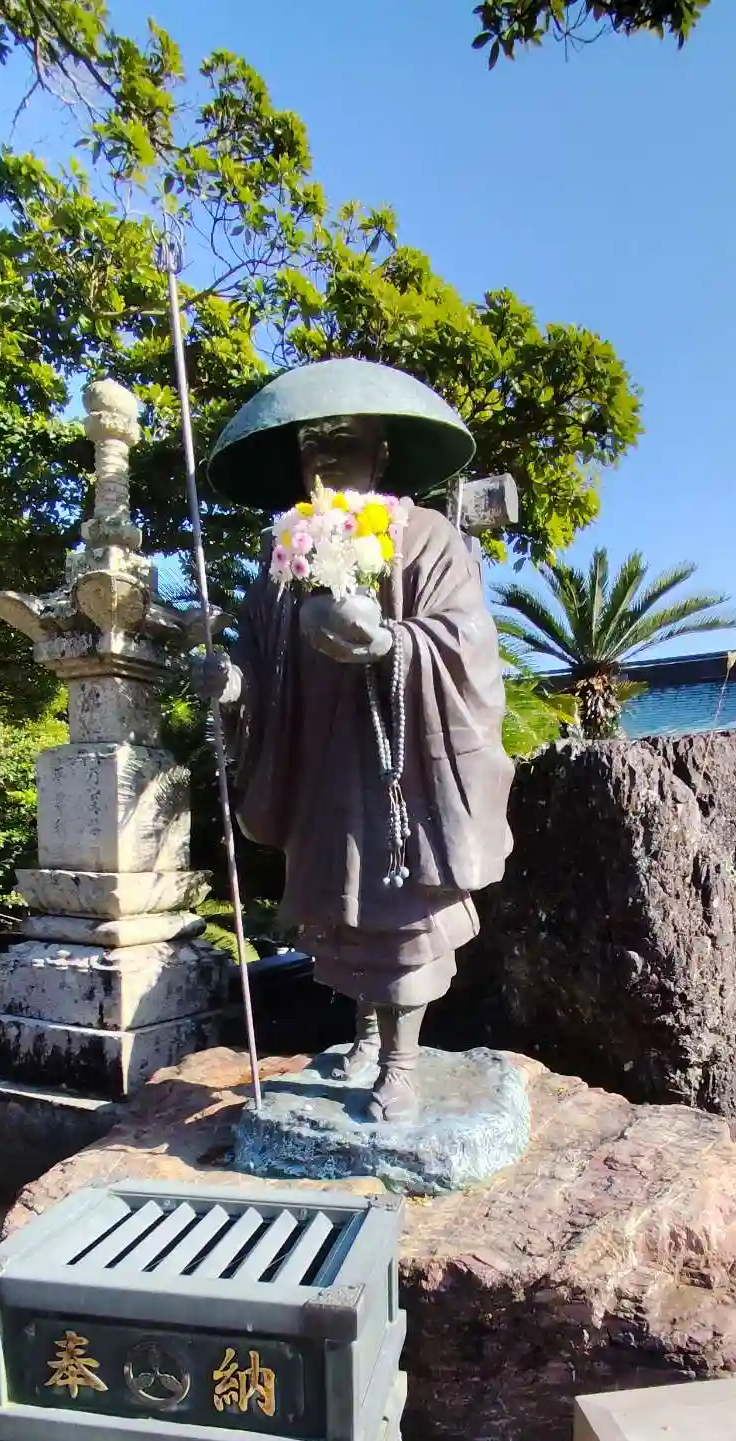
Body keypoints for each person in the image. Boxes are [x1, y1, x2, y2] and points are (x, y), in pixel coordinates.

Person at [196, 362, 513, 1124]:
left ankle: (401, 1064)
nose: (326, 459)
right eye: (312, 446)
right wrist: (233, 685)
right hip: (320, 764)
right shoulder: (285, 555)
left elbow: (466, 643)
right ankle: (365, 1037)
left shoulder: (426, 537)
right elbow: (261, 657)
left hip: (398, 770)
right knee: (339, 912)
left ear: (383, 454)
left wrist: (393, 644)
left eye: (344, 442)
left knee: (400, 915)